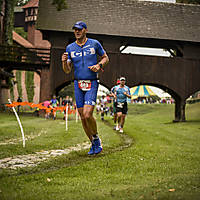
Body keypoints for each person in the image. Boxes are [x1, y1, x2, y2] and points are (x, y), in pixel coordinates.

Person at [61, 21, 109, 155]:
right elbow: (67, 70)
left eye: (79, 29)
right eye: (75, 29)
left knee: (88, 114)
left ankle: (96, 139)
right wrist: (64, 61)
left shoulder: (94, 43)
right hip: (78, 83)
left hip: (92, 82)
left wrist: (99, 65)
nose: (77, 32)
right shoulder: (70, 48)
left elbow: (106, 58)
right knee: (82, 117)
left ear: (85, 30)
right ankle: (93, 144)